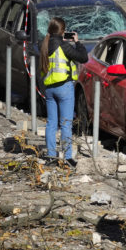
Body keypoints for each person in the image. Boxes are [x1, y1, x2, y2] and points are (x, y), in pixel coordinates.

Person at [39, 17, 87, 167]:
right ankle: (67, 158)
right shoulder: (63, 45)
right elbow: (83, 57)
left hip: (49, 89)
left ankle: (51, 157)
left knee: (51, 123)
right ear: (62, 31)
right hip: (64, 88)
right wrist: (77, 42)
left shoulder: (45, 45)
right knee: (65, 124)